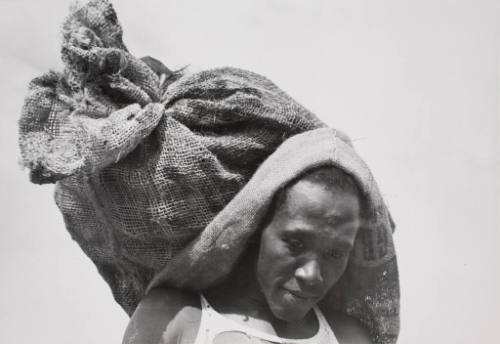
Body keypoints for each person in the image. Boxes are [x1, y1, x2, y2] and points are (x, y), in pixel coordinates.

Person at [123, 166, 373, 344]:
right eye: (296, 244)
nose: (312, 275)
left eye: (336, 253)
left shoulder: (348, 338)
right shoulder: (175, 319)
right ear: (257, 229)